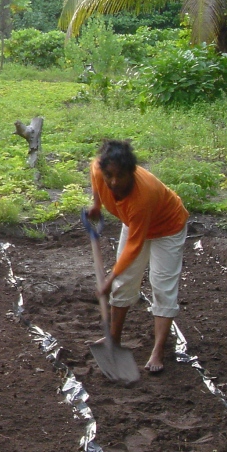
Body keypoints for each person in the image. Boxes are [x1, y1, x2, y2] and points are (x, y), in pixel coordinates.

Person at [88, 140, 189, 374]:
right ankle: (113, 339)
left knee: (162, 285)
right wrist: (96, 205)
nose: (113, 182)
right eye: (109, 175)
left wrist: (109, 279)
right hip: (133, 224)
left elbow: (133, 248)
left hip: (167, 228)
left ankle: (158, 350)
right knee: (125, 283)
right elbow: (96, 176)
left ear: (131, 172)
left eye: (120, 176)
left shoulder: (144, 196)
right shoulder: (98, 169)